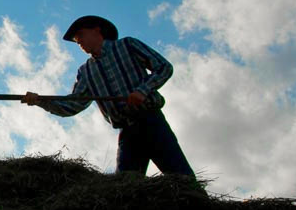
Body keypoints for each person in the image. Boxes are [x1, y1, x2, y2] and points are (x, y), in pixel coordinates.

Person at [22, 15, 196, 177]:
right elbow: (73, 105)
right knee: (125, 188)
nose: (79, 42)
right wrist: (39, 100)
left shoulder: (128, 45)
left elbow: (164, 67)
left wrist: (142, 91)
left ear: (97, 31)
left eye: (80, 36)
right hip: (127, 133)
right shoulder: (86, 71)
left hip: (152, 122)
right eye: (76, 41)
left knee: (181, 176)